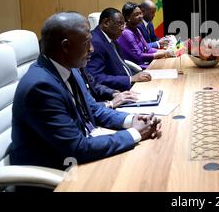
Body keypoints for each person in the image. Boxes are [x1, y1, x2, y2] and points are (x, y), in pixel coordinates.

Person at [10, 12, 162, 170]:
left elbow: (94, 110)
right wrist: (135, 133)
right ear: (66, 46)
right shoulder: (40, 87)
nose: (92, 49)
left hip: (81, 150)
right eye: (87, 42)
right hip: (56, 172)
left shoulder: (71, 68)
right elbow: (76, 148)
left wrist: (132, 120)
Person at [86, 7, 152, 92]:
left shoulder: (111, 38)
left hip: (129, 86)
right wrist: (130, 79)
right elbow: (96, 77)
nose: (122, 28)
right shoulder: (95, 42)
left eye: (123, 24)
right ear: (106, 22)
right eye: (119, 24)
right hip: (116, 93)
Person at [117, 2, 174, 69]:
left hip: (145, 64)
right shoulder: (126, 33)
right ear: (128, 17)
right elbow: (139, 57)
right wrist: (164, 54)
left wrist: (166, 51)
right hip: (138, 69)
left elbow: (148, 49)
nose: (140, 16)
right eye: (136, 14)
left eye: (140, 13)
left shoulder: (136, 29)